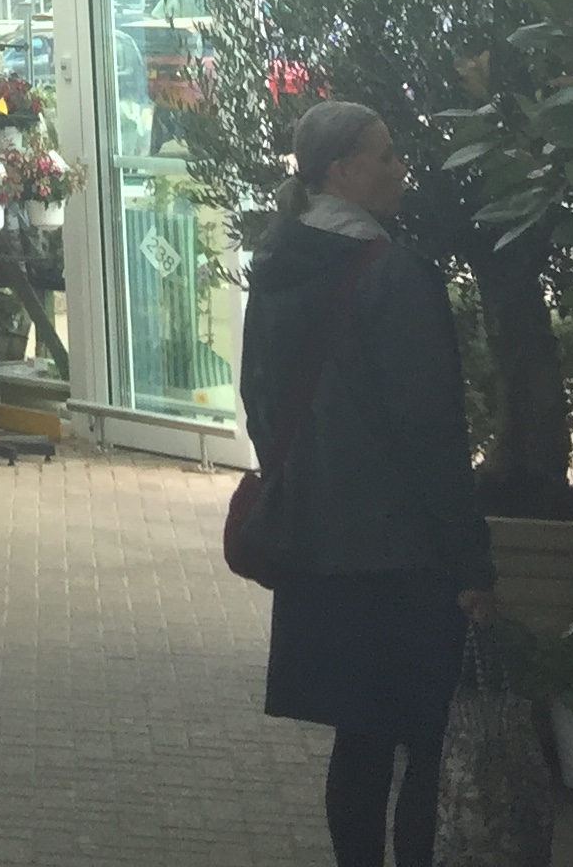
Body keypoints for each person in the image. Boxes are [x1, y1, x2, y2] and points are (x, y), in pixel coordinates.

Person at [240, 99, 496, 867]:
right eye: (386, 156)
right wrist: (471, 560)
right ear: (342, 171)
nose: (401, 168)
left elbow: (258, 399)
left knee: (359, 736)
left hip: (316, 541)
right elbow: (432, 432)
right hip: (402, 552)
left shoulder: (277, 267)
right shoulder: (394, 276)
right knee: (423, 737)